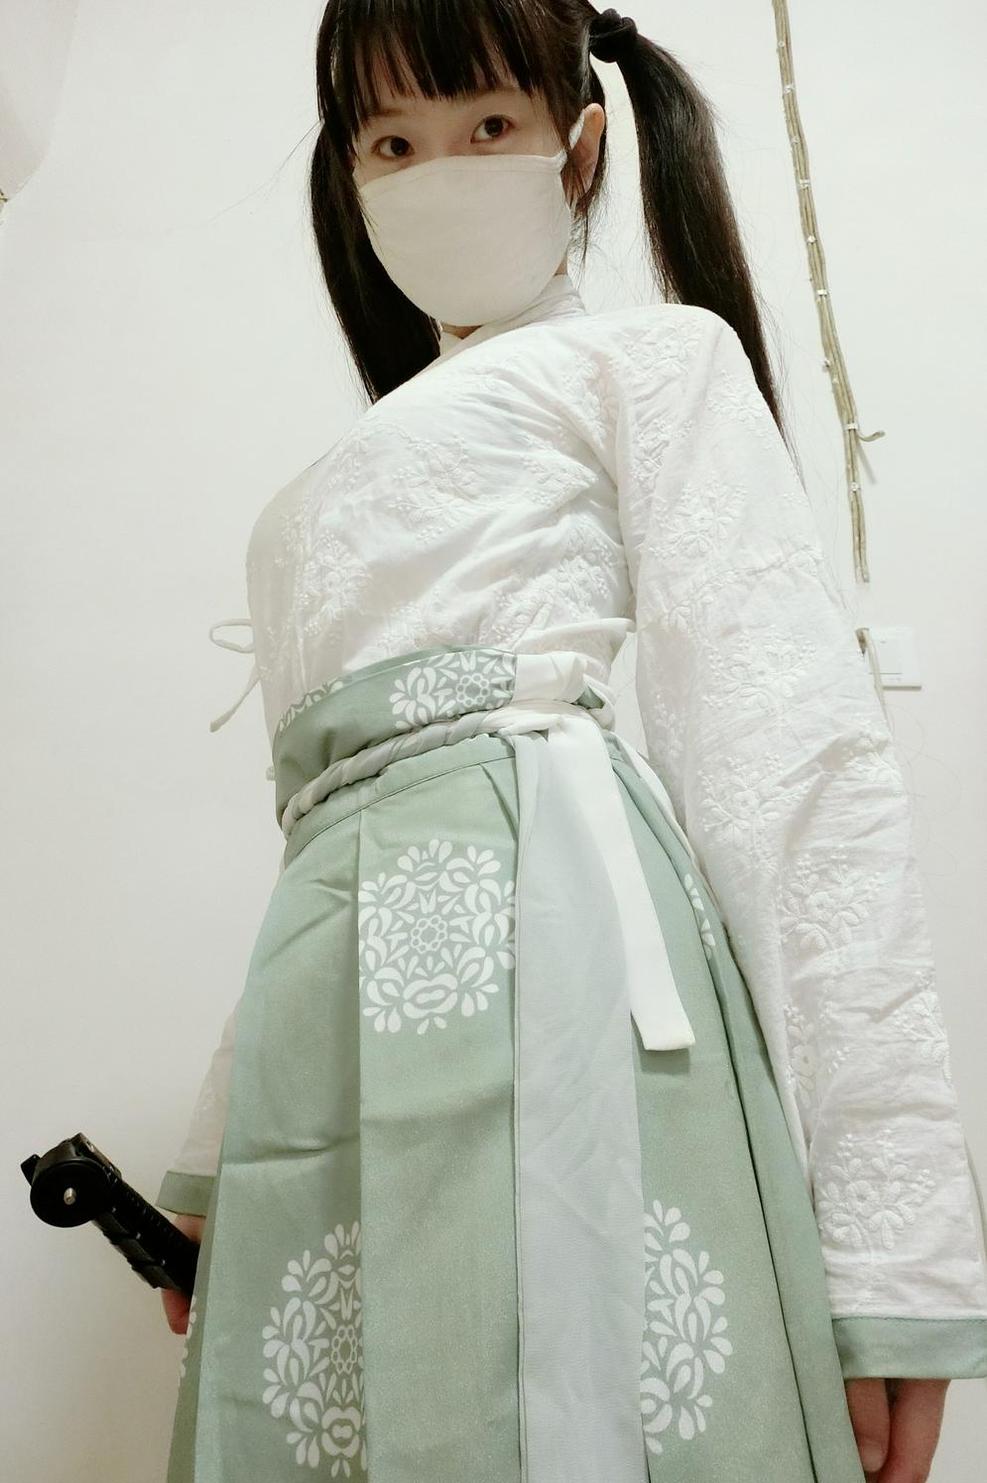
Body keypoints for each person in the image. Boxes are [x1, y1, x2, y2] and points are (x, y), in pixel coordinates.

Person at [155, 4, 987, 1480]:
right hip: (333, 1010)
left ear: (582, 147)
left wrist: (892, 1263)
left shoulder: (652, 363)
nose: (441, 169)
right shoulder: (320, 490)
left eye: (489, 124)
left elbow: (794, 775)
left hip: (563, 959)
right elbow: (321, 840)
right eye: (392, 142)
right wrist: (227, 1148)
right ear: (349, 180)